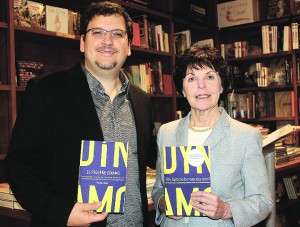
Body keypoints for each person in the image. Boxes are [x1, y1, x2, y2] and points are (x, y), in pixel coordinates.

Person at [4, 1, 156, 227]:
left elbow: (153, 158)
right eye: (97, 33)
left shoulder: (141, 99)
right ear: (83, 43)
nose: (107, 41)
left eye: (117, 34)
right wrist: (63, 212)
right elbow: (20, 166)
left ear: (128, 46)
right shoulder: (46, 91)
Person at [152, 44, 273, 226]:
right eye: (191, 78)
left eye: (209, 77)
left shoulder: (246, 136)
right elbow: (159, 189)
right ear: (182, 89)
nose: (201, 86)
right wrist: (163, 202)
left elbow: (263, 201)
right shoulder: (166, 133)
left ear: (221, 85)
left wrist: (227, 209)